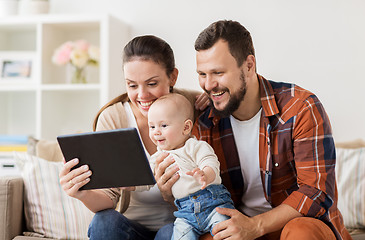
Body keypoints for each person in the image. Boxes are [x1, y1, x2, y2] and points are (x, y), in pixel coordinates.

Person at [155, 20, 351, 240]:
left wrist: (256, 226)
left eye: (218, 72)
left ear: (249, 65)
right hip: (237, 227)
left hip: (293, 224)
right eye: (202, 74)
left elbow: (315, 193)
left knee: (301, 232)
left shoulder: (301, 107)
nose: (208, 85)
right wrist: (168, 191)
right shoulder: (203, 121)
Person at [59, 35, 209, 240]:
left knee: (173, 233)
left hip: (177, 224)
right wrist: (80, 192)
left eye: (152, 83)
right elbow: (108, 199)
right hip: (128, 228)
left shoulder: (188, 107)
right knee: (103, 222)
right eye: (132, 85)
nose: (142, 95)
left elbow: (218, 97)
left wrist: (211, 95)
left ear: (172, 77)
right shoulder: (114, 118)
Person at [140, 93, 235, 239]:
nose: (156, 132)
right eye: (152, 126)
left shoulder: (195, 146)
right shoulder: (157, 158)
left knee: (226, 232)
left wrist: (205, 175)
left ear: (186, 127)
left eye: (163, 125)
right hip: (185, 214)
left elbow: (210, 162)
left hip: (213, 204)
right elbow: (145, 179)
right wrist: (129, 185)